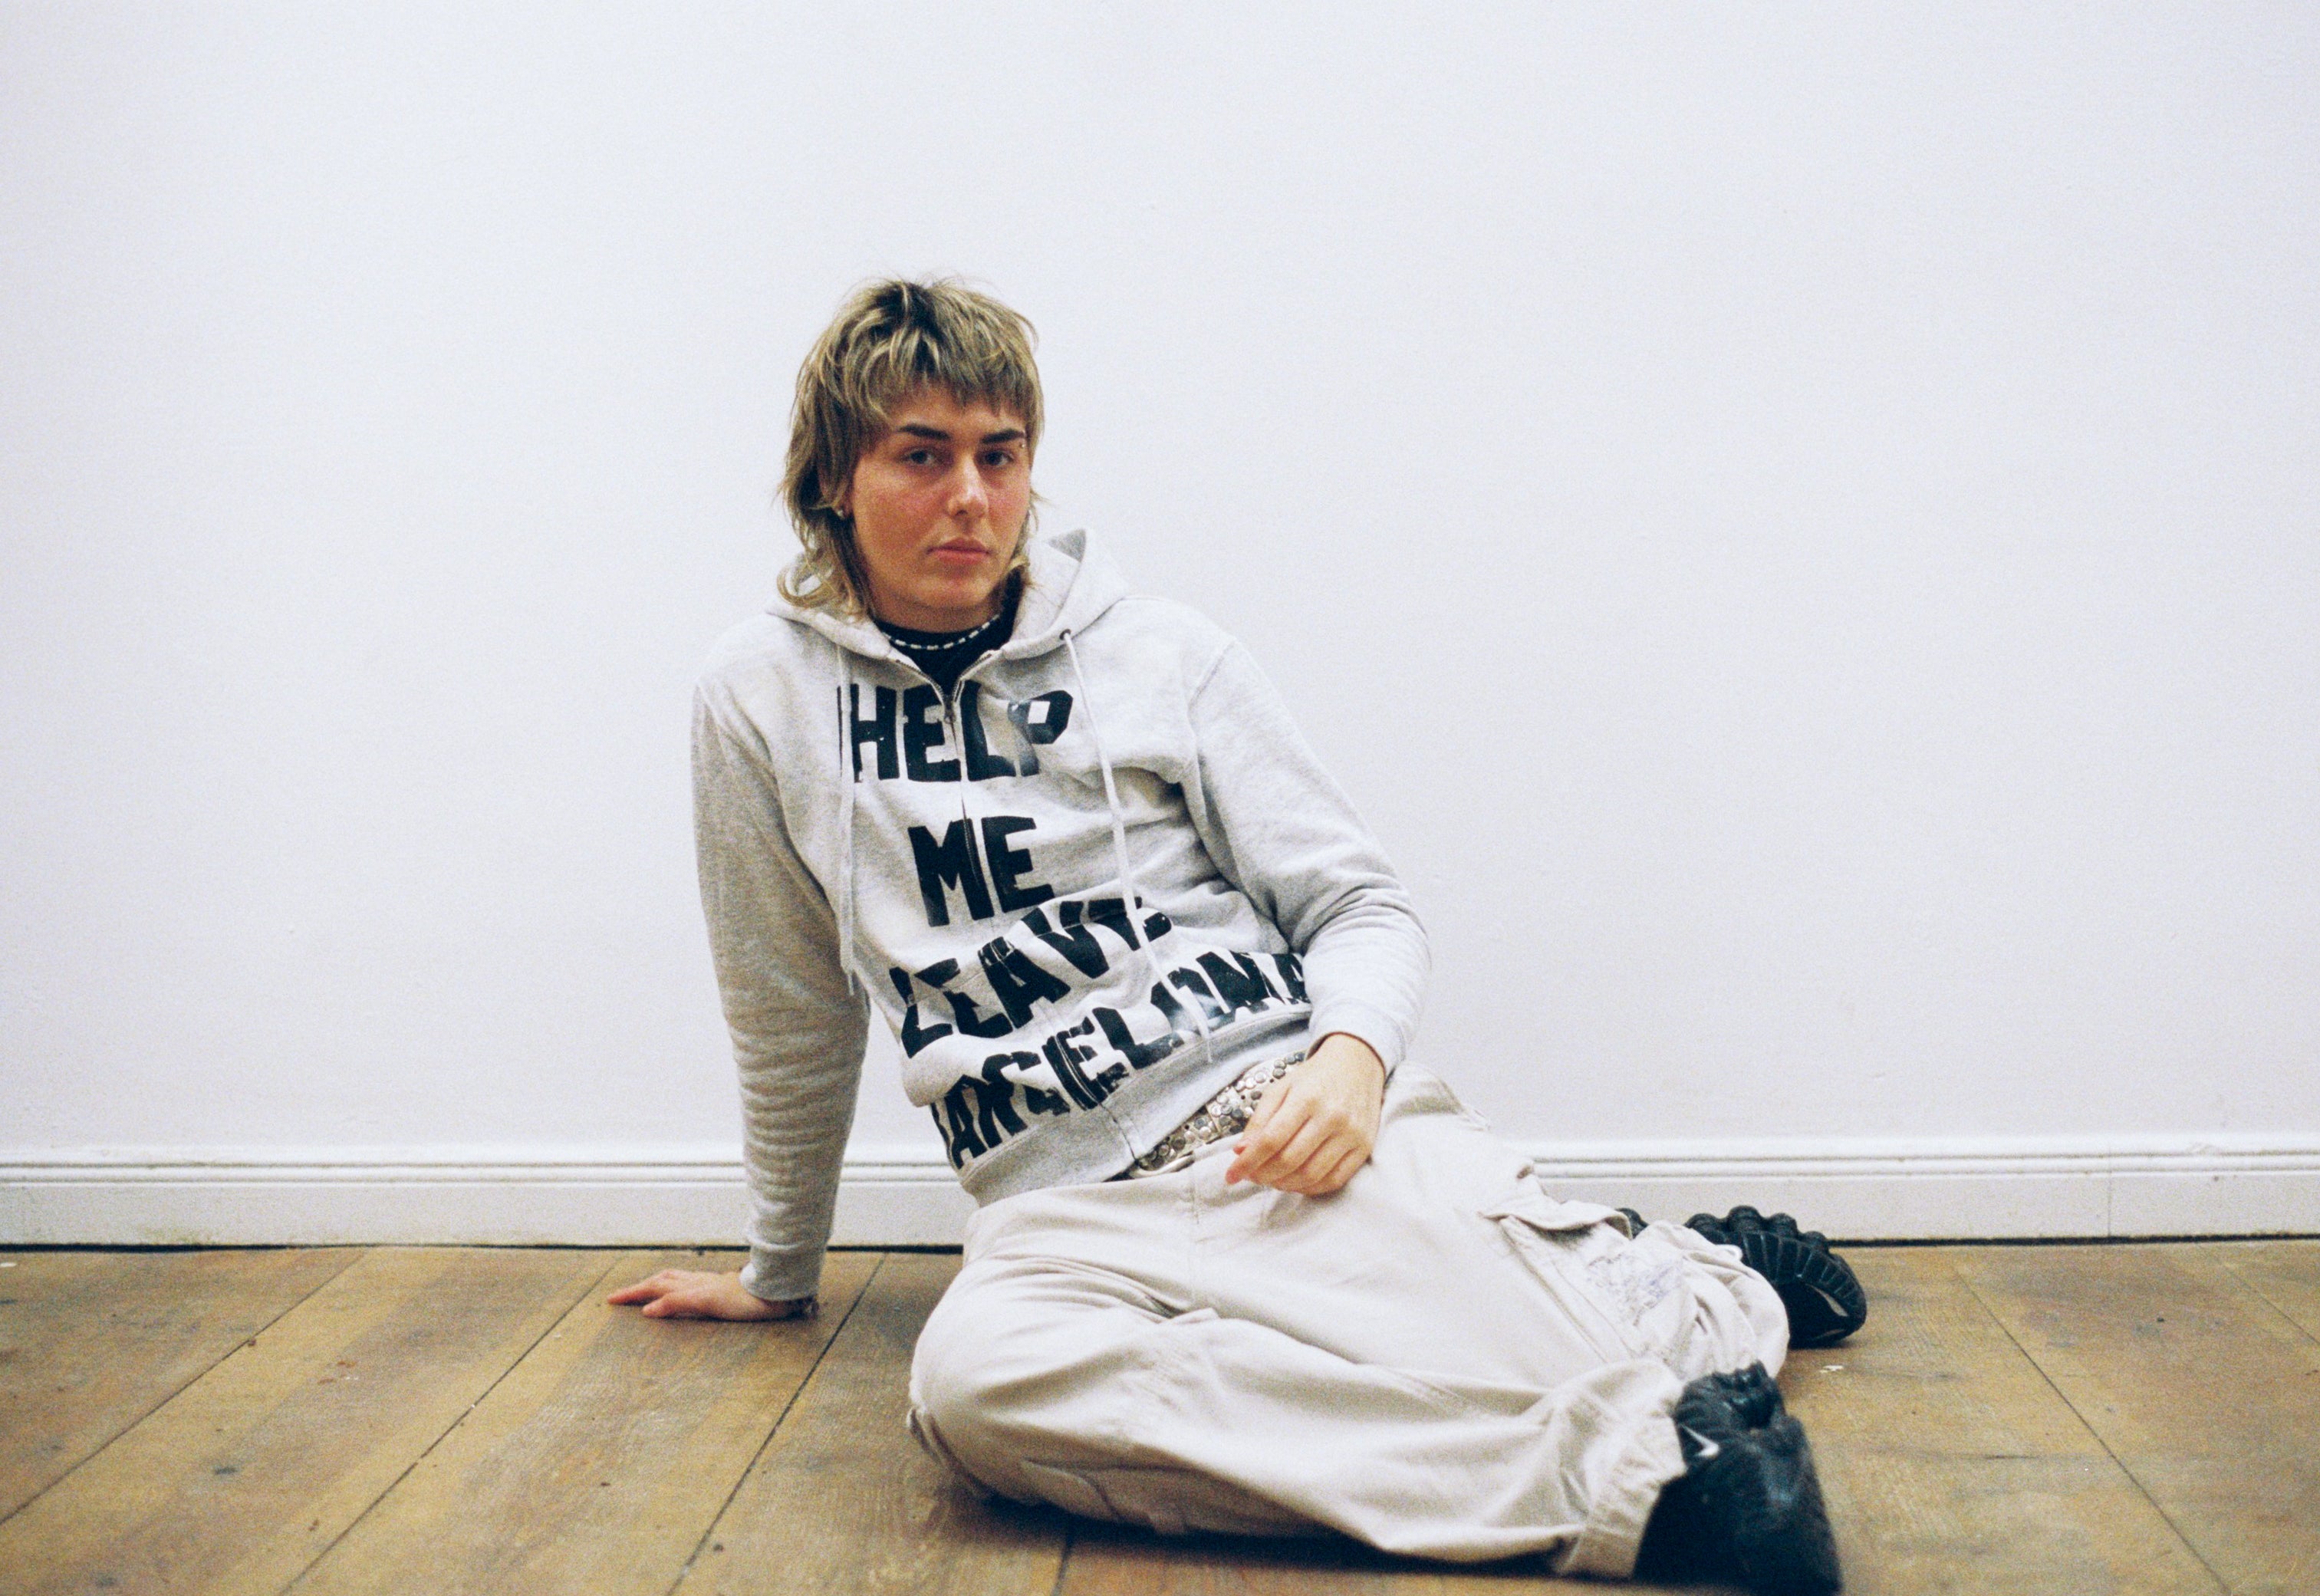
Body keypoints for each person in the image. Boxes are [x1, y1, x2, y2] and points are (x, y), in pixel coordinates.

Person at [610, 279, 1859, 1594]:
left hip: (1278, 1133)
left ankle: (1709, 1273)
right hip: (1063, 1217)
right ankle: (1645, 1490)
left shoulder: (1162, 654)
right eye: (921, 457)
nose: (970, 497)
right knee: (972, 1388)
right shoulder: (757, 697)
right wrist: (778, 1269)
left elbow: (1358, 904)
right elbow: (789, 1006)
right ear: (832, 478)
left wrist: (1349, 1062)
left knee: (1640, 1346)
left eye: (1000, 455)